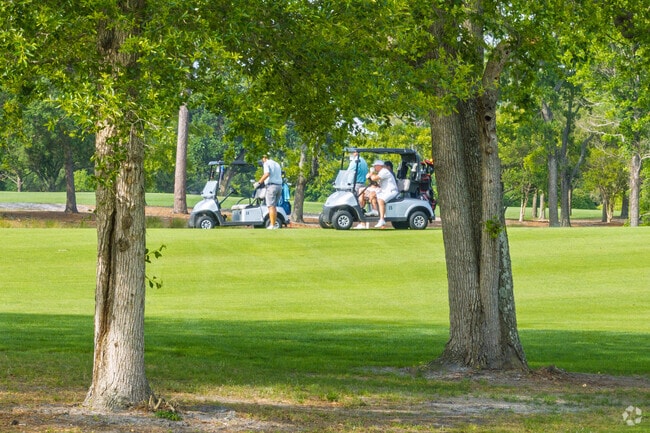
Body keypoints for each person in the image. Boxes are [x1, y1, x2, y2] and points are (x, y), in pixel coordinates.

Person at [366, 159, 398, 228]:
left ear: (379, 166)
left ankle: (382, 220)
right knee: (372, 194)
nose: (374, 168)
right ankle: (374, 210)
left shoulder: (384, 171)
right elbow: (376, 182)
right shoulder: (381, 172)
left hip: (391, 191)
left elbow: (374, 178)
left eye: (375, 166)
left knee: (380, 200)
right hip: (385, 191)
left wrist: (371, 173)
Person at [254, 154, 283, 229]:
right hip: (279, 186)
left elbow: (267, 174)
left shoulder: (266, 163)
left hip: (271, 186)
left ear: (264, 158)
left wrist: (259, 182)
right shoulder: (277, 164)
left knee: (270, 206)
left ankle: (272, 225)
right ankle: (274, 224)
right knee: (274, 206)